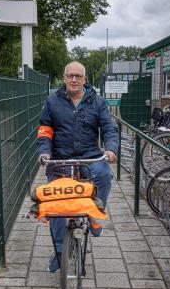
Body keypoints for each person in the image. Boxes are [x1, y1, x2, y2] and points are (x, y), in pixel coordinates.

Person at [37, 61, 119, 272]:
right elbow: (45, 130)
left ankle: (94, 213)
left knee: (104, 175)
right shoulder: (52, 101)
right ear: (64, 78)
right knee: (55, 203)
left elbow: (109, 128)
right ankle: (60, 253)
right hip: (60, 159)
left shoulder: (97, 102)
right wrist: (44, 152)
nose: (73, 79)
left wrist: (110, 149)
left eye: (78, 76)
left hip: (90, 157)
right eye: (69, 75)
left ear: (85, 79)